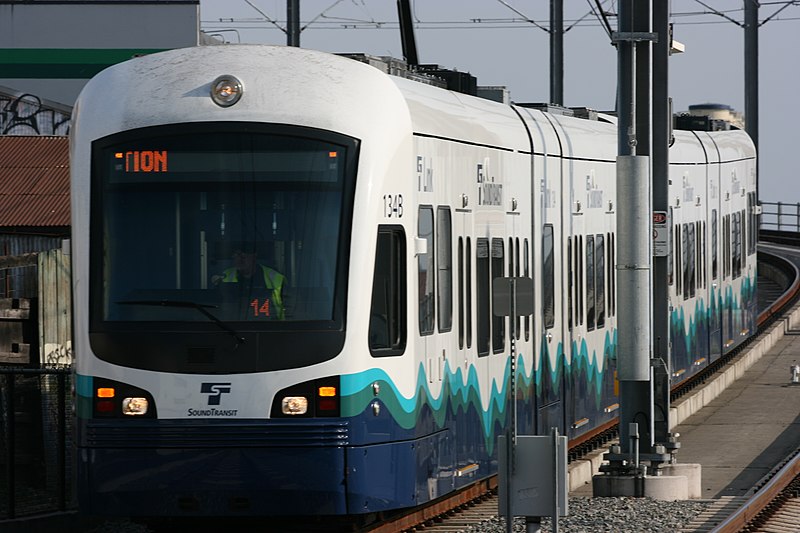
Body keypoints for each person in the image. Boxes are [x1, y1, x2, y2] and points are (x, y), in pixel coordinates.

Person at [212, 249, 286, 320]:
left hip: (267, 327)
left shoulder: (276, 278)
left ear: (254, 256)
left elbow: (284, 311)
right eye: (236, 256)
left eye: (243, 256)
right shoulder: (225, 276)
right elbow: (218, 309)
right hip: (230, 327)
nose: (240, 260)